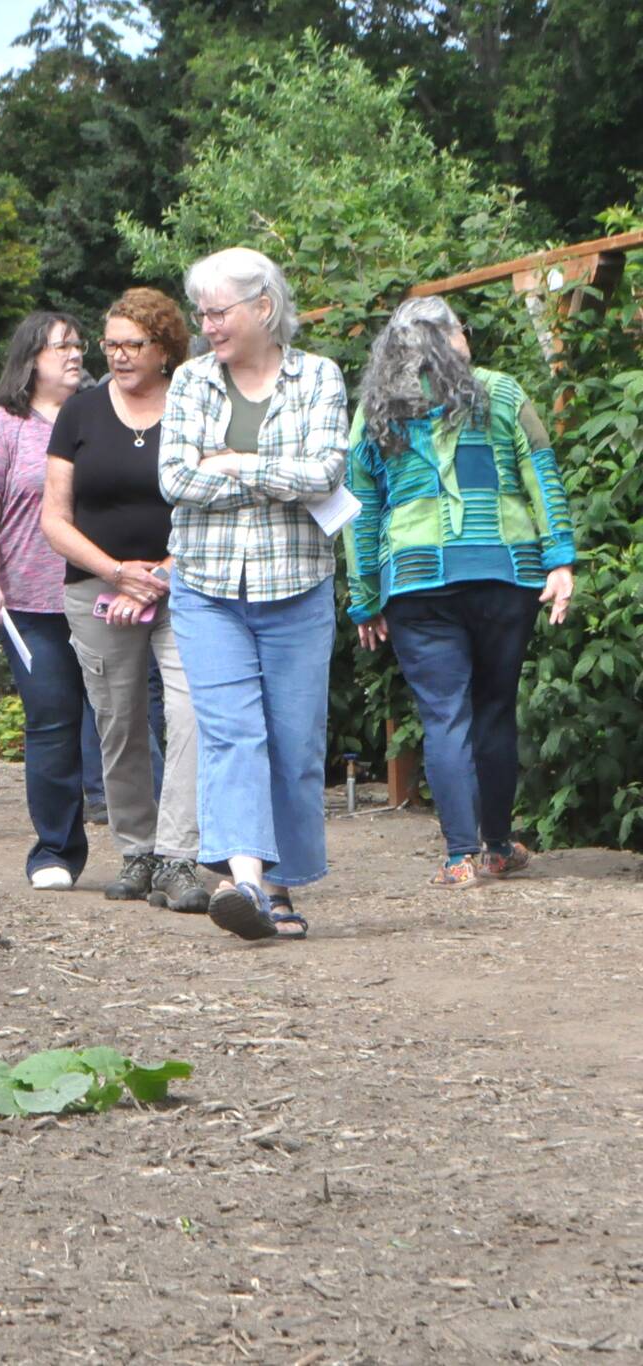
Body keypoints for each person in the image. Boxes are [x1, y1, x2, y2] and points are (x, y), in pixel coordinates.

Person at [343, 296, 575, 887]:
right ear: (446, 338)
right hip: (505, 572)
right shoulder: (501, 392)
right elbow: (541, 474)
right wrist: (560, 559)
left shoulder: (376, 410)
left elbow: (360, 510)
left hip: (418, 581)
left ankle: (458, 857)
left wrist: (365, 595)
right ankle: (497, 846)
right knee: (496, 709)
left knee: (444, 714)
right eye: (460, 329)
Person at [159, 246, 349, 941]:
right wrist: (274, 474)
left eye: (219, 311)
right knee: (233, 733)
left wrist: (234, 463)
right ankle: (245, 881)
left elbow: (326, 472)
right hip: (208, 587)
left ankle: (279, 883)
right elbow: (176, 480)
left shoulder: (319, 377)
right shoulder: (189, 382)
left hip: (296, 585)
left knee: (295, 746)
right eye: (201, 312)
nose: (206, 324)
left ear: (263, 307)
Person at [41, 288, 209, 913]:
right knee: (118, 723)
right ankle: (136, 850)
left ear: (165, 348)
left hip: (184, 585)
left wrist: (161, 572)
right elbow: (54, 519)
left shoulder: (193, 406)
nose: (117, 355)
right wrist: (117, 572)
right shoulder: (79, 414)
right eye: (108, 344)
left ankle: (178, 856)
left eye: (131, 344)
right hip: (97, 588)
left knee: (190, 713)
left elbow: (206, 500)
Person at [0, 311, 95, 890]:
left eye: (77, 344)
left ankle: (154, 849)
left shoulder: (102, 416)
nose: (74, 354)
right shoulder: (3, 426)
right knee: (51, 722)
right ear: (30, 359)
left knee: (125, 721)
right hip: (33, 606)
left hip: (104, 595)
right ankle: (55, 851)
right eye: (60, 345)